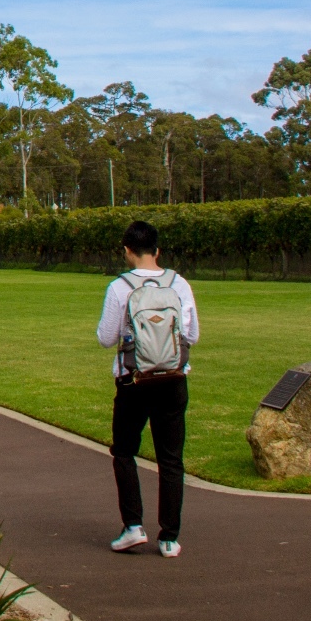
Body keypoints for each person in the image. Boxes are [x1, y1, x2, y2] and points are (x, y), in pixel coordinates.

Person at [96, 220, 198, 558]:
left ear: (126, 250)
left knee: (124, 451)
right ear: (158, 250)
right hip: (173, 380)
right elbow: (192, 335)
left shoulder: (119, 287)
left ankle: (133, 526)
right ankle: (169, 537)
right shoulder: (179, 284)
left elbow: (106, 337)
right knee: (171, 459)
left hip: (133, 381)